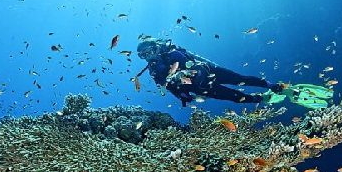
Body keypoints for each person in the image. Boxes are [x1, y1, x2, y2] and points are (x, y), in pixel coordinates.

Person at [135, 38, 332, 108]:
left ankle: (273, 86)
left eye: (149, 51)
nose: (148, 56)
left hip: (210, 73)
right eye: (143, 55)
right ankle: (262, 99)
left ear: (156, 47)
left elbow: (185, 61)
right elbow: (168, 86)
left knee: (239, 79)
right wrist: (182, 97)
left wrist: (186, 72)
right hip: (202, 89)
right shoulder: (153, 72)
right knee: (235, 98)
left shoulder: (172, 54)